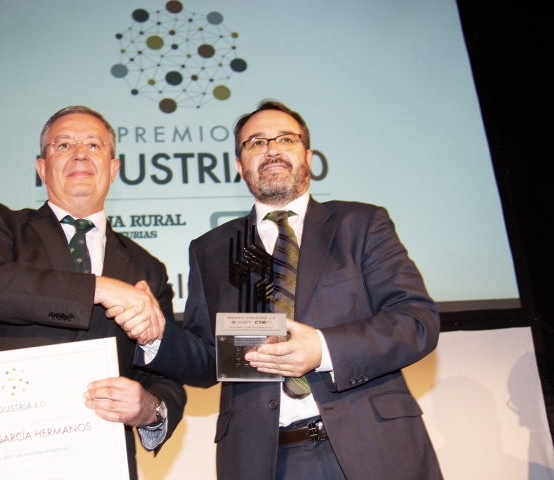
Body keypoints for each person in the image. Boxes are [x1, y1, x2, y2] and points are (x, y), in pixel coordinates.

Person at [118, 101, 442, 479]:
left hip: (374, 448)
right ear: (240, 165)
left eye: (285, 139)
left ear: (307, 155)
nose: (271, 149)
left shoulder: (361, 223)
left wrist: (322, 348)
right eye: (255, 143)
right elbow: (209, 359)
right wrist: (156, 336)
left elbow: (416, 320)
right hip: (265, 461)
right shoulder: (210, 249)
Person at [0, 106, 185, 480]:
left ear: (113, 169)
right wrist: (101, 288)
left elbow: (164, 373)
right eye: (63, 145)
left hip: (91, 458)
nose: (80, 153)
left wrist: (150, 408)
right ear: (42, 168)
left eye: (94, 145)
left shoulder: (148, 269)